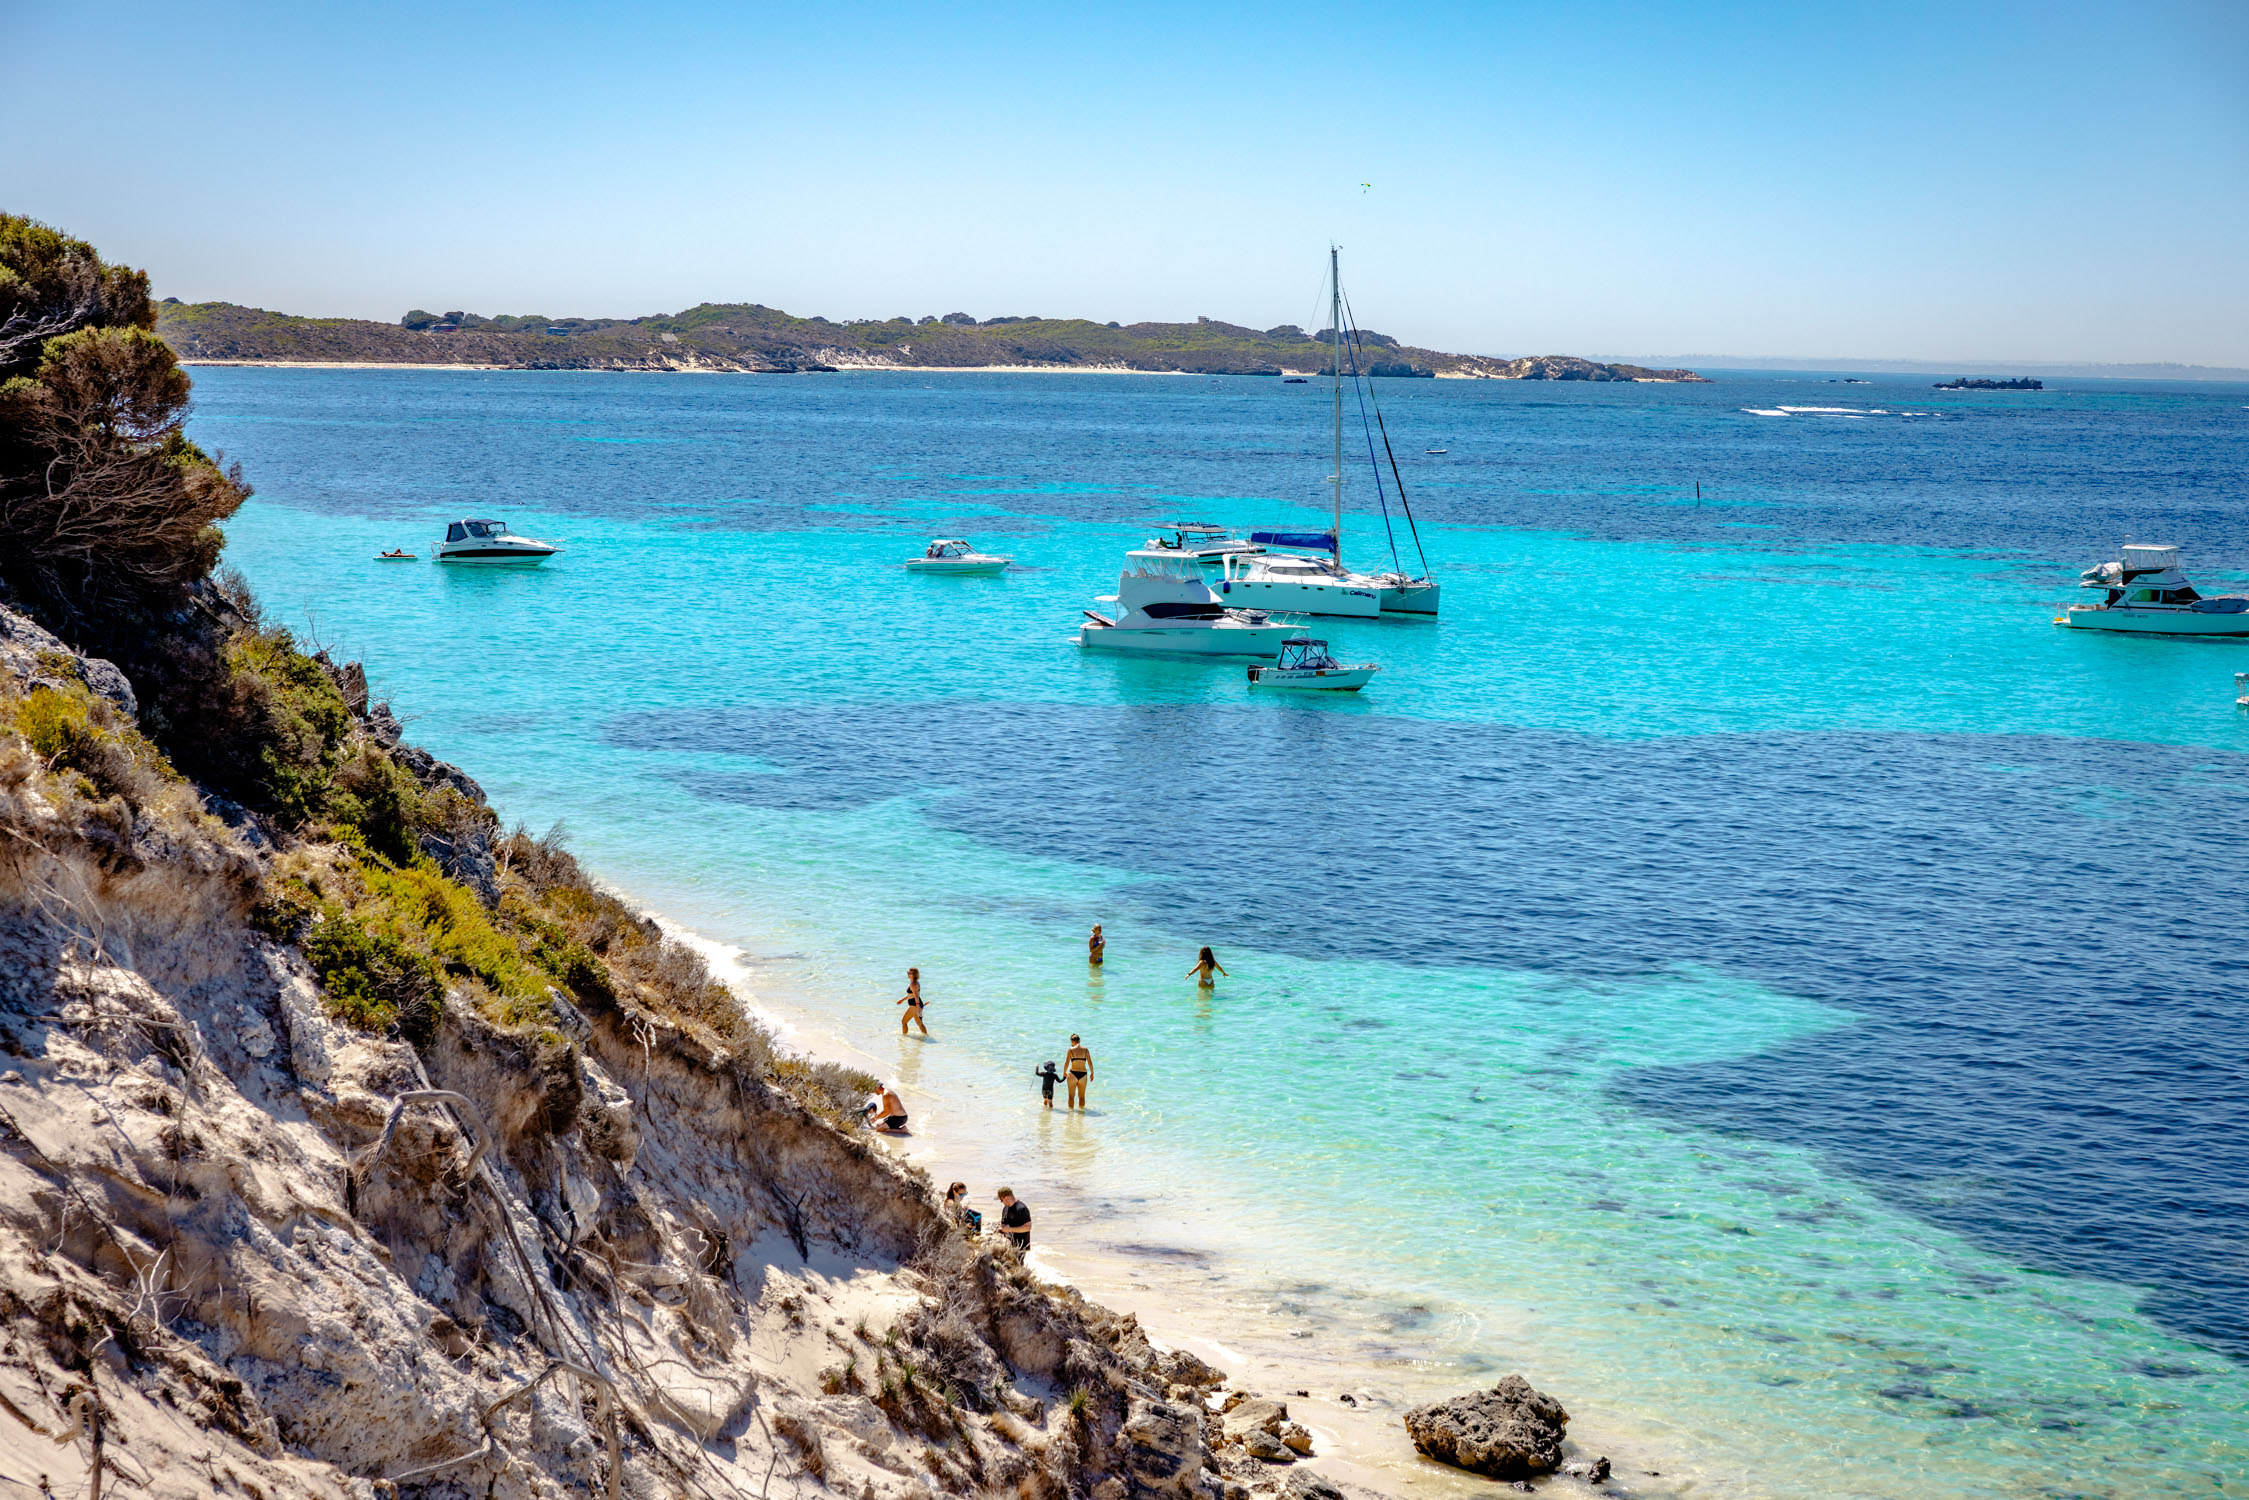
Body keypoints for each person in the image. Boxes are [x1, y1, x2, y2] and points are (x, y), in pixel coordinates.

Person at [996, 1187, 1031, 1251]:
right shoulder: (1005, 1209)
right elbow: (1005, 1223)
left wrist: (1009, 1229)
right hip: (1008, 1245)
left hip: (1020, 1247)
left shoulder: (1022, 1209)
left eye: (1001, 1200)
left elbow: (1027, 1227)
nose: (1001, 1202)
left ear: (1007, 1198)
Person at [1064, 1034, 1093, 1110]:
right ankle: (1081, 1114)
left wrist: (1064, 1072)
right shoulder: (1086, 1050)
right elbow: (1090, 1062)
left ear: (1072, 1041)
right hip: (1083, 1075)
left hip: (1073, 1074)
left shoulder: (1070, 1050)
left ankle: (1070, 1115)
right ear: (1079, 1040)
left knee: (1071, 1096)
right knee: (1082, 1096)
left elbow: (1066, 1063)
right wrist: (1092, 1073)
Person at [897, 967, 926, 1036]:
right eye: (908, 972)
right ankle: (926, 1037)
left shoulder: (913, 984)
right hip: (917, 1004)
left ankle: (904, 1038)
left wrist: (918, 1006)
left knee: (904, 1022)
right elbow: (911, 995)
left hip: (914, 1005)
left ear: (914, 974)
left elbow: (916, 996)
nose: (908, 974)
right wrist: (902, 1000)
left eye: (909, 973)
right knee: (919, 1024)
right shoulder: (914, 983)